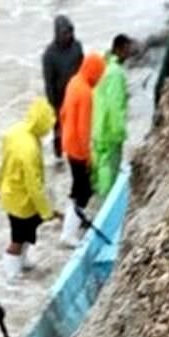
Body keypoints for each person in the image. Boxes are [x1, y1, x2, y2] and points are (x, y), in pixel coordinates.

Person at [0, 97, 62, 279]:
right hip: (21, 202)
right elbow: (34, 186)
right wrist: (46, 211)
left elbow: (4, 162)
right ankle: (11, 275)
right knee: (17, 239)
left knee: (25, 234)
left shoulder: (16, 131)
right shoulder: (29, 149)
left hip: (10, 191)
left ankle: (22, 263)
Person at [59, 52, 106, 246]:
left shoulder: (73, 82)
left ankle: (72, 223)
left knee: (78, 187)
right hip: (78, 148)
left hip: (68, 143)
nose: (98, 79)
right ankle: (69, 233)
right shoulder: (86, 93)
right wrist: (87, 156)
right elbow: (83, 129)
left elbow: (63, 113)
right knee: (84, 192)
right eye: (98, 75)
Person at [92, 34, 133, 198]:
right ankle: (107, 201)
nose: (129, 54)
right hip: (110, 130)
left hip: (98, 125)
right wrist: (120, 131)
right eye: (127, 50)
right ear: (119, 49)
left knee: (100, 165)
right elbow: (115, 105)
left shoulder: (104, 67)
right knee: (108, 169)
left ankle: (99, 200)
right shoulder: (116, 73)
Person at [42, 15, 83, 162]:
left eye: (70, 32)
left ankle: (75, 155)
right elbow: (48, 82)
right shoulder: (49, 55)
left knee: (77, 129)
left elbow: (82, 69)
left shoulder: (77, 47)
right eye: (65, 33)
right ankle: (58, 159)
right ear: (57, 33)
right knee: (59, 132)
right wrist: (53, 105)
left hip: (77, 96)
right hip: (59, 99)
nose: (69, 36)